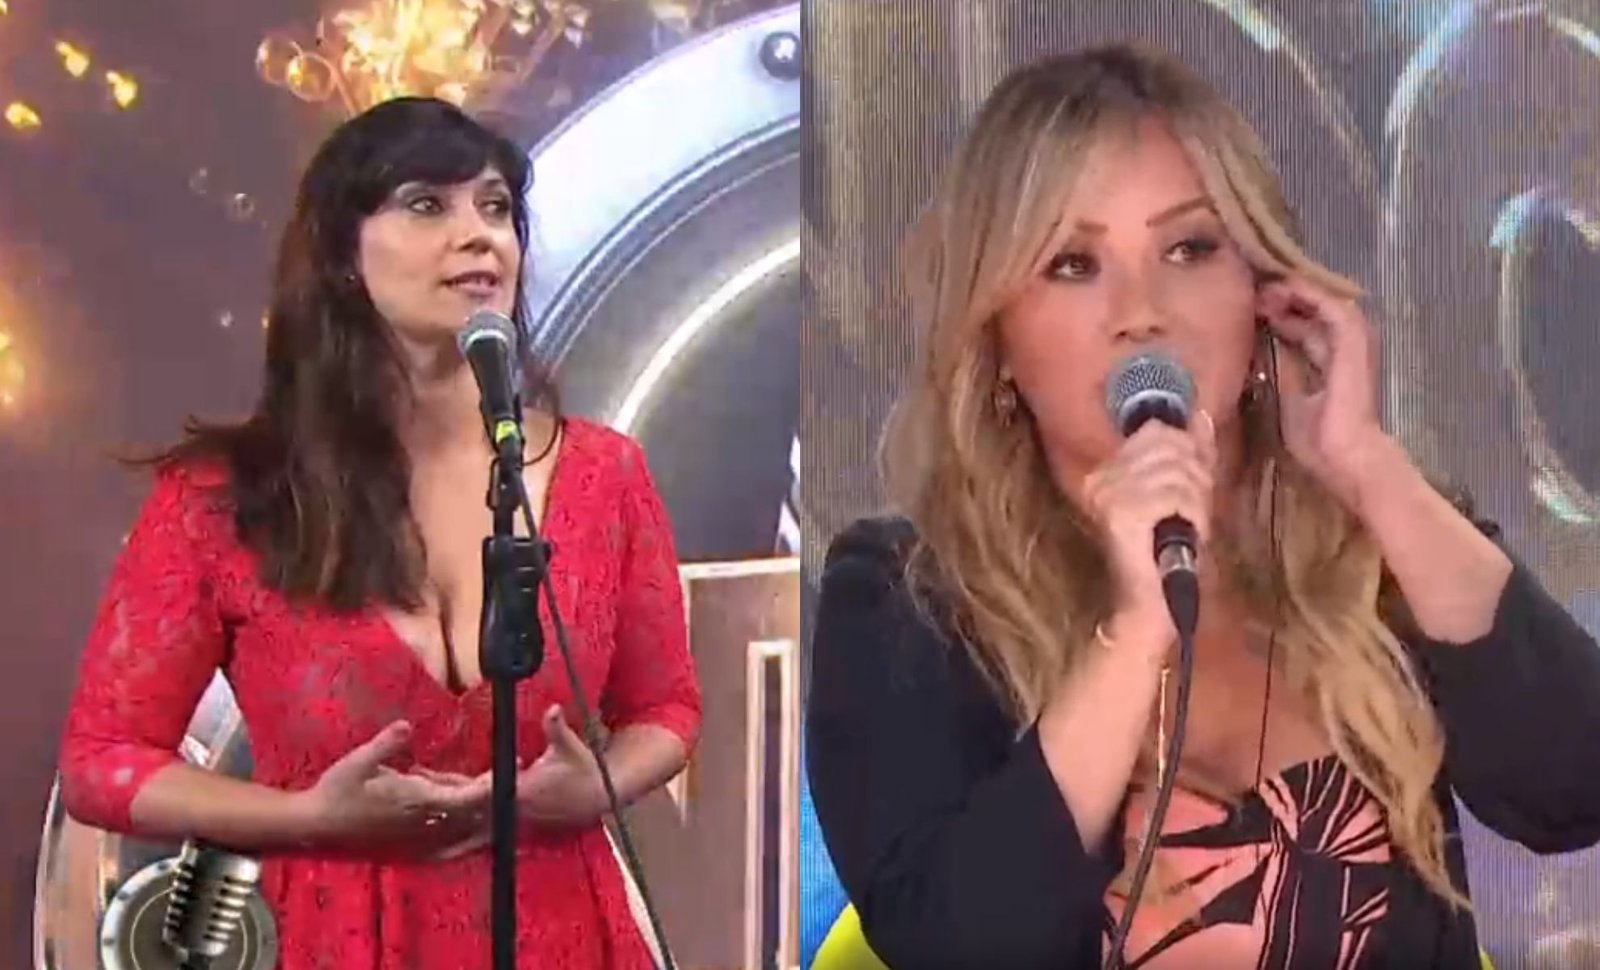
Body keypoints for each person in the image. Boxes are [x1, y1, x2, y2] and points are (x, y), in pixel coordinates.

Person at [804, 43, 1600, 970]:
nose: (1142, 311)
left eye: (1188, 249)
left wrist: (1367, 465)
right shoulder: (906, 600)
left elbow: (1574, 784)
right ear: (1001, 342)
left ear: (1263, 296)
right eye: (1073, 263)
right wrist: (1137, 630)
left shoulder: (1370, 550)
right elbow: (954, 943)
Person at [57, 96, 701, 969]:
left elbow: (665, 709)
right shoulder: (224, 497)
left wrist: (597, 788)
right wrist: (307, 818)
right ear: (343, 256)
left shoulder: (604, 473)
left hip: (564, 930)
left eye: (496, 207)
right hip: (338, 936)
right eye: (427, 204)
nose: (479, 236)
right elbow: (103, 760)